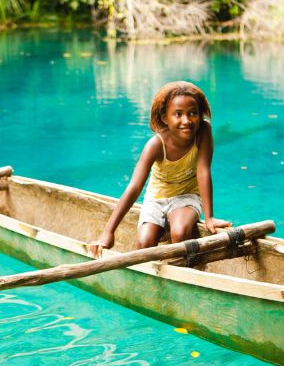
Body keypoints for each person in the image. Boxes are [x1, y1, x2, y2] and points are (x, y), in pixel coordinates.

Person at [90, 81, 230, 258]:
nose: (186, 121)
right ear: (165, 118)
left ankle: (181, 264)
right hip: (157, 199)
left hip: (187, 196)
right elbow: (134, 187)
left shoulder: (203, 131)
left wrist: (209, 217)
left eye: (192, 113)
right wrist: (108, 232)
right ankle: (164, 230)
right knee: (144, 244)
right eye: (178, 114)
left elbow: (203, 171)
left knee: (179, 233)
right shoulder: (156, 145)